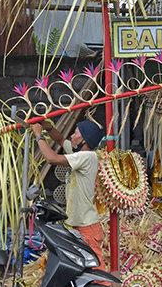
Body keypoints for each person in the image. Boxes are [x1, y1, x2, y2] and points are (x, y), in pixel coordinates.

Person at [31, 119, 107, 277]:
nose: (72, 136)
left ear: (84, 140)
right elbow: (59, 140)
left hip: (87, 227)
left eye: (76, 133)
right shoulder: (78, 152)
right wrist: (49, 127)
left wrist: (39, 135)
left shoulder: (87, 156)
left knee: (97, 276)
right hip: (76, 225)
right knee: (80, 273)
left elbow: (52, 158)